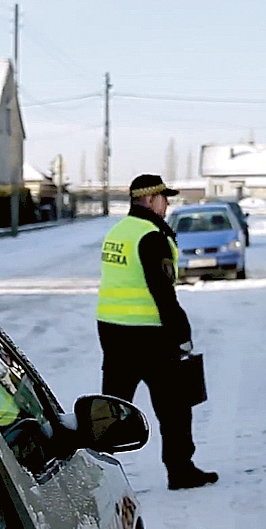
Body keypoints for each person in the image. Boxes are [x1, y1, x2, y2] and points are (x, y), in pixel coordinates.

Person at [97, 174, 218, 490]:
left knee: (112, 406)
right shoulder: (151, 236)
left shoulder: (118, 232)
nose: (167, 204)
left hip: (112, 330)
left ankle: (94, 474)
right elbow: (162, 291)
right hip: (150, 334)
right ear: (150, 200)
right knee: (175, 407)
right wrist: (182, 332)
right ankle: (181, 470)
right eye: (165, 198)